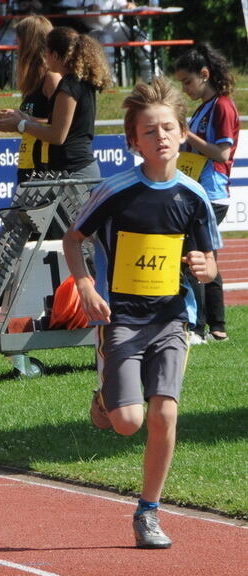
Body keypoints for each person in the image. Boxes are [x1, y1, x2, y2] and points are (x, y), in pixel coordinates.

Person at [62, 77, 221, 549]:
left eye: (168, 128)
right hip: (121, 319)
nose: (162, 138)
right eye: (150, 131)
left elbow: (210, 264)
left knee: (164, 413)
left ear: (182, 132)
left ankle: (148, 512)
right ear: (133, 141)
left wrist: (203, 267)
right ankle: (104, 401)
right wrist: (87, 285)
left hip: (173, 316)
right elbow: (74, 240)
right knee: (127, 421)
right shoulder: (116, 191)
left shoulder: (194, 197)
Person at [174, 44, 239, 344]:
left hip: (210, 192)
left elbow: (222, 153)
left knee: (193, 256)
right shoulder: (205, 107)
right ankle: (217, 327)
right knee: (205, 255)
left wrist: (188, 136)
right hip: (199, 190)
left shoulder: (222, 106)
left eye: (188, 81)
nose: (185, 88)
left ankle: (197, 328)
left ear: (205, 74)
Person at [0, 26, 112, 181]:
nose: (45, 57)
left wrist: (21, 124)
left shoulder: (69, 86)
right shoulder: (78, 82)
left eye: (46, 52)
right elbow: (59, 124)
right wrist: (25, 118)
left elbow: (58, 135)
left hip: (74, 171)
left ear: (55, 55)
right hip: (72, 170)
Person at [0, 15, 60, 185]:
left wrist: (22, 121)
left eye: (19, 42)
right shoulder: (32, 80)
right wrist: (17, 120)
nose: (16, 47)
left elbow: (60, 125)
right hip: (28, 162)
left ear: (30, 44)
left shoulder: (51, 78)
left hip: (45, 167)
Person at [56, 0, 153, 83]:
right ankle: (109, 81)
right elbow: (61, 9)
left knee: (140, 36)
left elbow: (126, 6)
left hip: (114, 27)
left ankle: (150, 79)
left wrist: (130, 6)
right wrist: (84, 9)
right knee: (106, 38)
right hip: (90, 31)